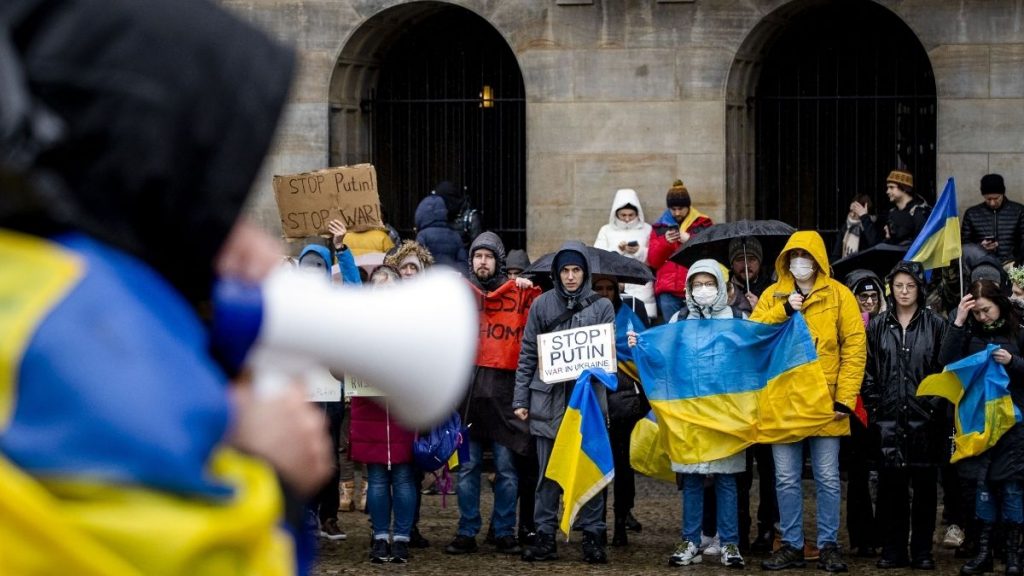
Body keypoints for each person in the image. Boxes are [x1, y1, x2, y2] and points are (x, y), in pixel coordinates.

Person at [0, 1, 334, 572]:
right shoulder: (80, 318)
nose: (247, 236)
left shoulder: (39, 283)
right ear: (151, 166)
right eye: (218, 190)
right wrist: (271, 472)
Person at [751, 231, 867, 573]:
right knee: (785, 478)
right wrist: (783, 309)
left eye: (806, 255)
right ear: (786, 260)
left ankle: (829, 544)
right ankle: (791, 543)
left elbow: (854, 346)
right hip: (784, 402)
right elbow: (754, 335)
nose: (799, 261)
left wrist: (845, 397)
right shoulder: (773, 295)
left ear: (818, 259)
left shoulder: (840, 295)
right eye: (794, 255)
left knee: (828, 477)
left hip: (826, 402)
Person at [513, 241, 616, 564]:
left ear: (584, 273)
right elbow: (528, 352)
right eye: (565, 271)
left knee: (588, 470)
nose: (571, 277)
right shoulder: (542, 305)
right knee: (549, 475)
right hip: (549, 403)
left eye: (576, 270)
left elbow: (607, 355)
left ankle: (593, 536)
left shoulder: (601, 307)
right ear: (557, 274)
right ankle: (544, 536)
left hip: (587, 406)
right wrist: (521, 397)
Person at [445, 231, 538, 556]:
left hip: (503, 398)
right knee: (468, 470)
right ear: (471, 261)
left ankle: (503, 531)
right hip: (466, 401)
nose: (482, 262)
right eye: (477, 256)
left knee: (506, 469)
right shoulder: (459, 296)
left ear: (497, 262)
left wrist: (525, 291)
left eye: (488, 257)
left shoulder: (516, 294)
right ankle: (466, 530)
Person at [657, 260, 747, 569]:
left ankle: (730, 542)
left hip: (725, 412)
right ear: (689, 289)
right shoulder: (679, 319)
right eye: (698, 284)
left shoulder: (737, 318)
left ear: (721, 286)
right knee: (692, 478)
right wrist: (640, 345)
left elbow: (750, 358)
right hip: (690, 412)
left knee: (726, 478)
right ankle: (690, 540)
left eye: (709, 284)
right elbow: (663, 355)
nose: (703, 290)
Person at [862, 261, 948, 570]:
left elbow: (943, 369)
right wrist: (874, 405)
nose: (904, 291)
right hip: (889, 419)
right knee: (891, 490)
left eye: (910, 285)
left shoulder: (935, 324)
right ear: (891, 288)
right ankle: (893, 549)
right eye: (899, 286)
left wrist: (933, 406)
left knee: (925, 490)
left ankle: (922, 550)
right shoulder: (878, 325)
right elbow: (868, 369)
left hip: (925, 420)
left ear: (920, 288)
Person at [940, 280, 1024, 576]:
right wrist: (960, 321)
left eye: (986, 310)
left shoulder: (1018, 330)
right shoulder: (968, 331)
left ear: (999, 303)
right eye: (977, 313)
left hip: (1013, 426)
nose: (983, 317)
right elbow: (946, 362)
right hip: (977, 424)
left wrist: (1013, 361)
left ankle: (1013, 556)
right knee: (983, 488)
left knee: (1012, 489)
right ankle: (983, 553)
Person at [592, 275, 651, 547]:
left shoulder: (629, 317)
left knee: (622, 465)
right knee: (598, 463)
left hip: (624, 400)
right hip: (595, 399)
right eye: (599, 288)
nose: (605, 292)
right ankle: (596, 520)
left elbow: (642, 351)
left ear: (617, 290)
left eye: (609, 288)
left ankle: (621, 517)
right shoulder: (586, 315)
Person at [838, 268, 887, 558]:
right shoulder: (845, 323)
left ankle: (883, 534)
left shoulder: (889, 323)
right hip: (855, 406)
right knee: (856, 477)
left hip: (881, 406)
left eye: (873, 296)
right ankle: (860, 537)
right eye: (862, 296)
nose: (868, 301)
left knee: (885, 474)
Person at [647, 179, 713, 323]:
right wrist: (666, 242)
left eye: (681, 208)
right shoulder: (659, 227)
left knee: (697, 330)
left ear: (688, 206)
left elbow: (709, 251)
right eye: (673, 209)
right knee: (672, 331)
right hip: (668, 290)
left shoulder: (703, 223)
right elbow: (653, 261)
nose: (677, 212)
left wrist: (689, 239)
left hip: (696, 285)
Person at [594, 188, 656, 318]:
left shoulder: (647, 229)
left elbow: (655, 258)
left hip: (641, 286)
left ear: (637, 213)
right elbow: (598, 256)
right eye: (623, 215)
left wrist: (639, 251)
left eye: (631, 215)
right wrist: (618, 251)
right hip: (613, 285)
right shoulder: (606, 230)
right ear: (616, 213)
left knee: (641, 322)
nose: (627, 218)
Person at [962, 174, 1024, 267]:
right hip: (982, 264)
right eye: (988, 199)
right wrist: (980, 247)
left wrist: (1017, 261)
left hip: (1012, 265)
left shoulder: (1018, 211)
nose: (992, 203)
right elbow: (965, 245)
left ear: (1002, 194)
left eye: (996, 198)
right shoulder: (972, 214)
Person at [415, 193, 466, 271]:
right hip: (451, 279)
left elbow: (418, 262)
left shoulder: (422, 235)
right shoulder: (455, 235)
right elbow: (463, 263)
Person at [879, 170, 931, 245]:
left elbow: (923, 242)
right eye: (887, 188)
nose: (887, 191)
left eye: (891, 187)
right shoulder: (892, 212)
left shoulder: (919, 212)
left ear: (904, 188)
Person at [727, 237, 773, 317]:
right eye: (740, 259)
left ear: (759, 262)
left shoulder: (772, 288)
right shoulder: (722, 289)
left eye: (752, 259)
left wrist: (759, 309)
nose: (746, 265)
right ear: (732, 264)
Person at [835, 194, 881, 258]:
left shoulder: (872, 226)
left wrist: (864, 217)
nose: (852, 215)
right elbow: (836, 253)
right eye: (851, 211)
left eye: (855, 212)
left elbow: (874, 245)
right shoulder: (846, 227)